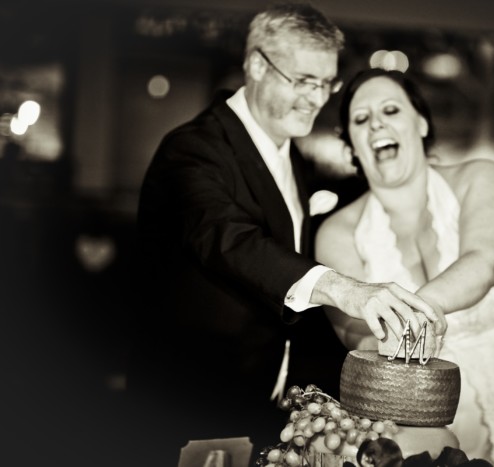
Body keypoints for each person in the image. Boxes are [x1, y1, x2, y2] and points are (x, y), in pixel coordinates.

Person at [129, 5, 444, 466]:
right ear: (256, 65)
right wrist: (346, 289)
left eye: (326, 83)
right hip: (190, 400)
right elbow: (229, 238)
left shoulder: (287, 151)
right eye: (302, 81)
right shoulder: (193, 148)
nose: (316, 99)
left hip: (267, 404)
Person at [316, 68, 494, 467]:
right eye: (361, 119)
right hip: (422, 424)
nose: (377, 125)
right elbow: (356, 336)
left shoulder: (481, 177)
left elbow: (486, 261)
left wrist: (409, 314)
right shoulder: (337, 233)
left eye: (391, 110)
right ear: (351, 142)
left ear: (421, 122)